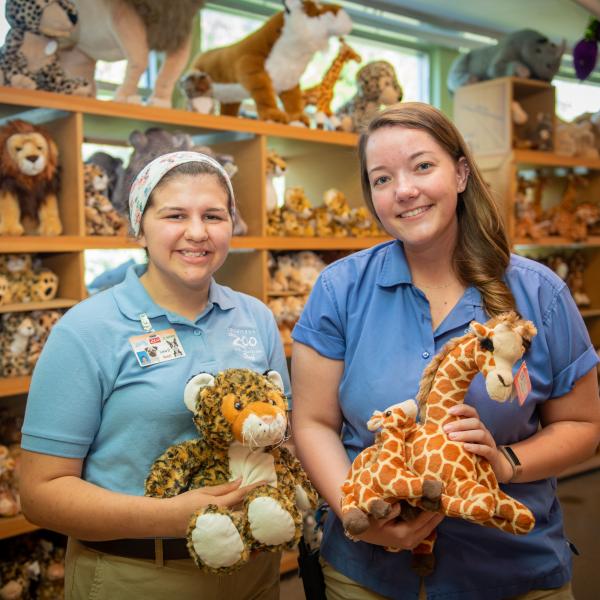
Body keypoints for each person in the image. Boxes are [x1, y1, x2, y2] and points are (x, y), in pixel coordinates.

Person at [291, 103, 600, 600]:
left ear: (459, 173)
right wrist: (359, 514)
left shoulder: (539, 295)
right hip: (367, 576)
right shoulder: (340, 290)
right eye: (382, 178)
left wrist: (505, 463)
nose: (404, 190)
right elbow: (312, 422)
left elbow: (583, 427)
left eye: (422, 166)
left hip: (512, 573)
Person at [20, 151, 290, 600]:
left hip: (254, 570)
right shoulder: (87, 329)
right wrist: (169, 516)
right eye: (175, 215)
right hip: (140, 573)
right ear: (139, 226)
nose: (198, 232)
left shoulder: (255, 318)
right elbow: (40, 493)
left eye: (214, 215)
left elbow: (281, 436)